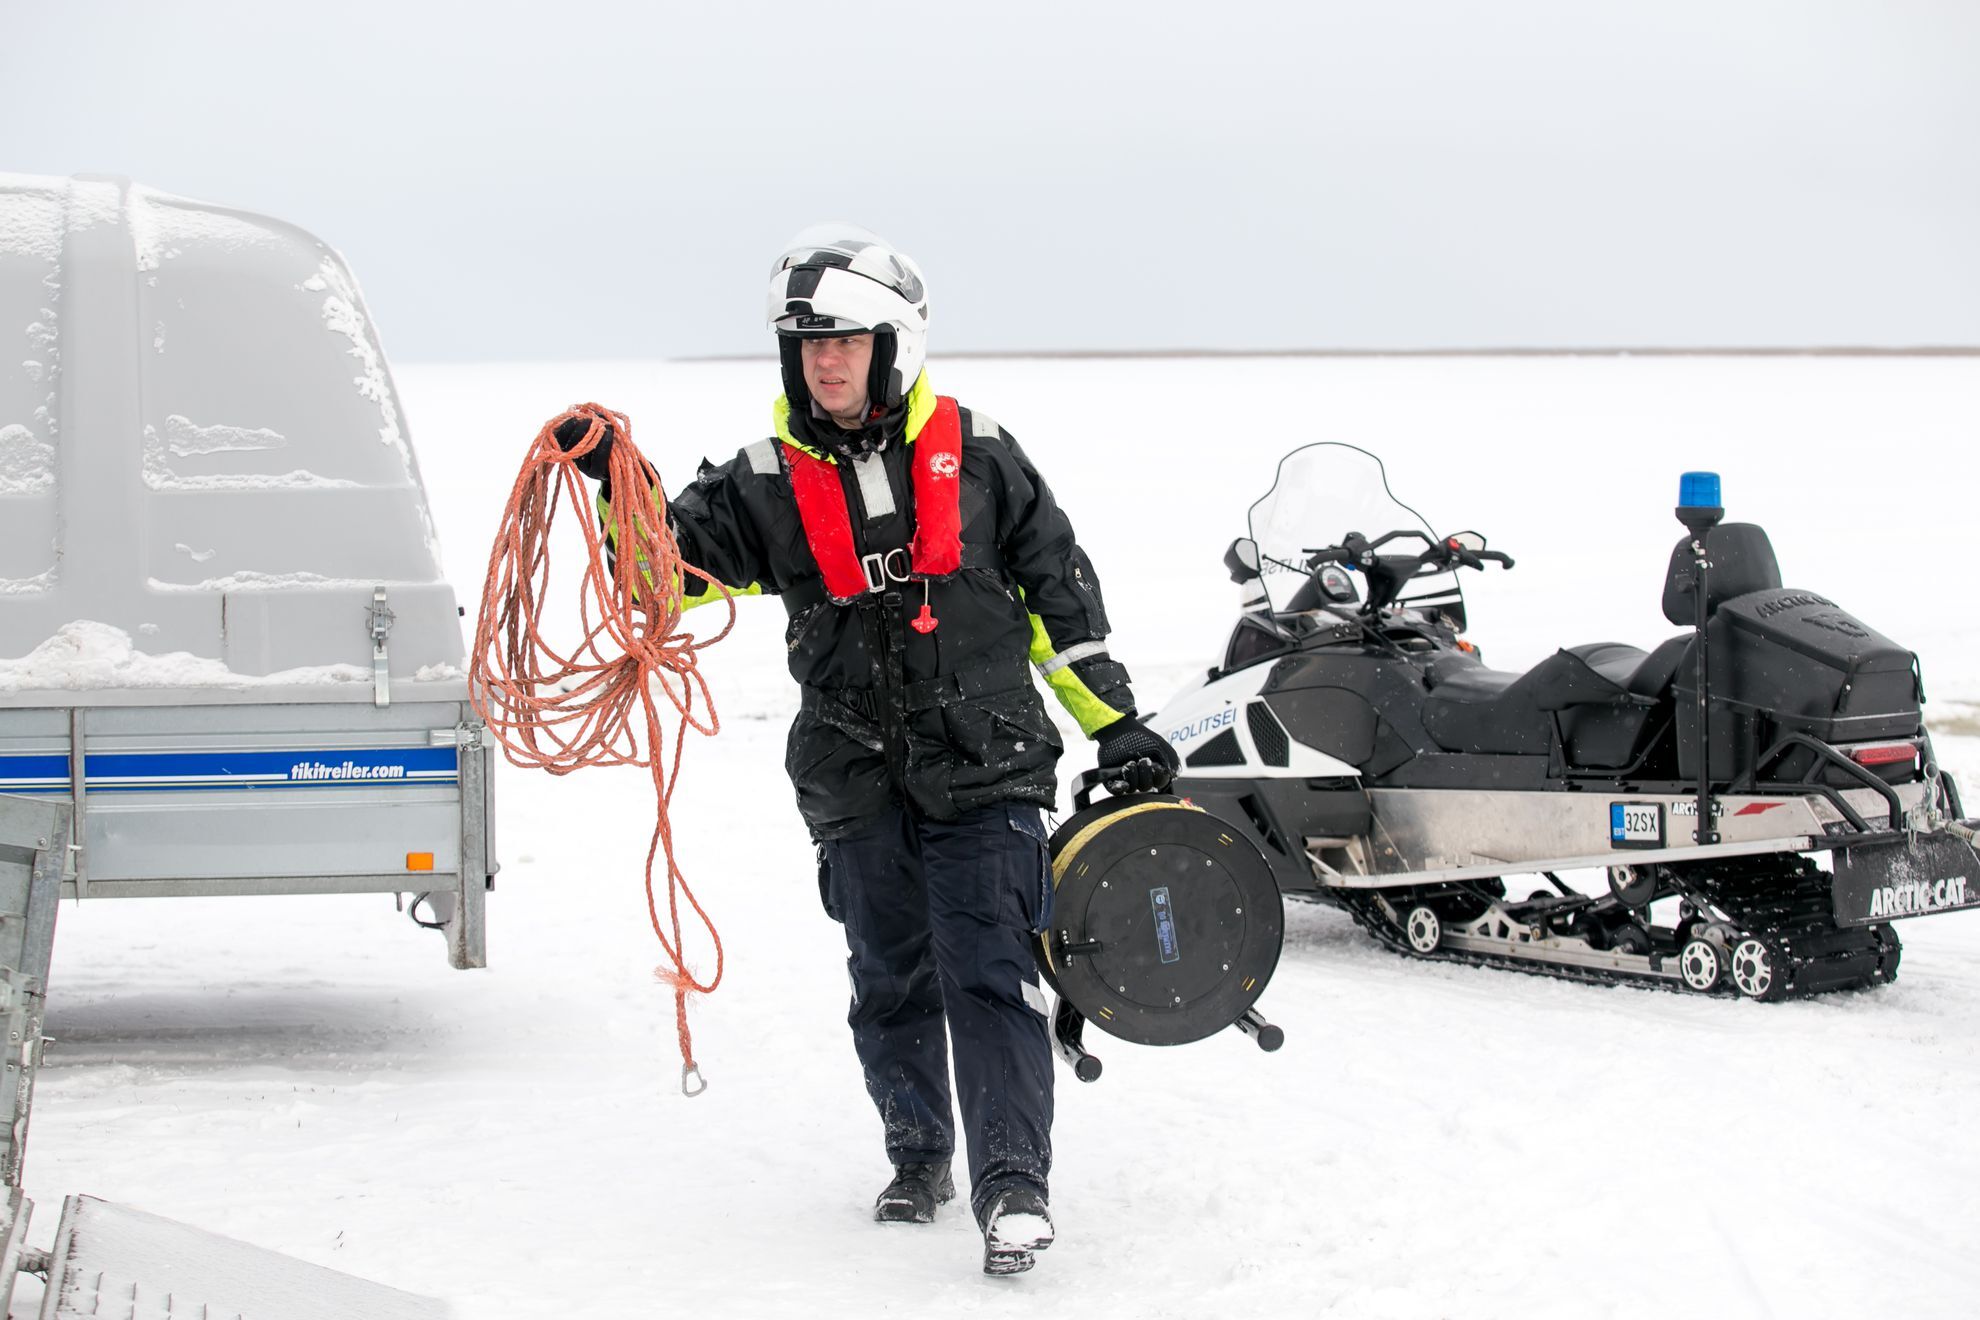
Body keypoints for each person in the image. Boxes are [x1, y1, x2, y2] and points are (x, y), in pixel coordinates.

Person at [559, 224, 1178, 1276]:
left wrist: (1114, 721)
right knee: (889, 978)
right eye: (805, 346)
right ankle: (918, 1155)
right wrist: (616, 487)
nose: (824, 362)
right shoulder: (760, 481)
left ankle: (1013, 1187)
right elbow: (658, 580)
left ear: (893, 345)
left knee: (990, 973)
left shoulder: (983, 458)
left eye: (843, 342)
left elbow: (1061, 610)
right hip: (853, 776)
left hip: (988, 765)